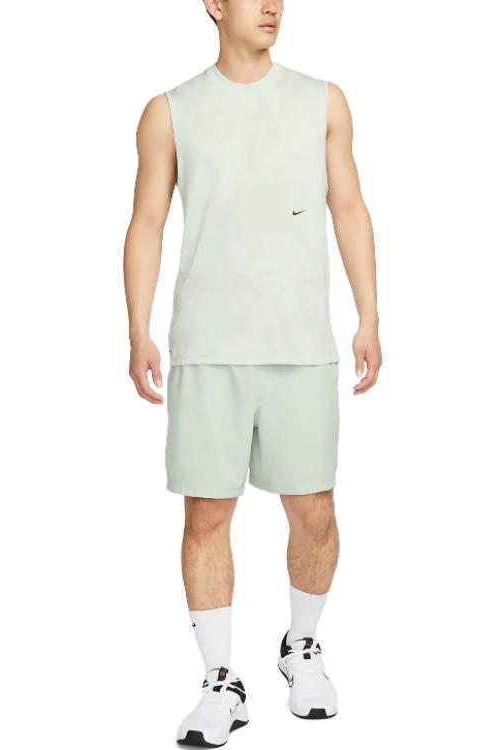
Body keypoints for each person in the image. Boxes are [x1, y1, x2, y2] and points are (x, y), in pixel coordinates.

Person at [123, 1, 381, 745]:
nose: (272, 5)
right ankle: (219, 681)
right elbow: (146, 221)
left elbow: (349, 207)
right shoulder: (169, 112)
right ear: (213, 3)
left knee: (315, 512)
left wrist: (368, 315)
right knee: (206, 516)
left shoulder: (323, 102)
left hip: (300, 344)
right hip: (208, 346)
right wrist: (138, 328)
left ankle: (302, 646)